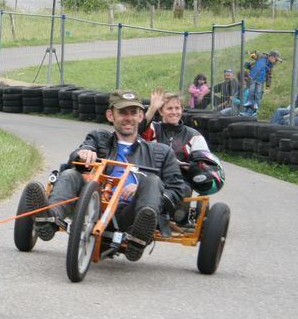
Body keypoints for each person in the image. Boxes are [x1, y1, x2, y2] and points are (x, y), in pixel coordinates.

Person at [27, 90, 190, 262]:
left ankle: (138, 237)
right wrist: (83, 154)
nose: (128, 118)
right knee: (69, 174)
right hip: (91, 205)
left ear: (141, 116)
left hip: (129, 214)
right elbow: (76, 156)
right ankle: (48, 220)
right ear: (110, 115)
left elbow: (179, 190)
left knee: (153, 181)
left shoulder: (161, 152)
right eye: (122, 113)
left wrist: (144, 190)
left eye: (133, 113)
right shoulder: (98, 139)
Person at [141, 88, 211, 161]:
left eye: (177, 108)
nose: (174, 112)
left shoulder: (194, 136)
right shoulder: (153, 129)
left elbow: (205, 164)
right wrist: (152, 108)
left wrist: (185, 166)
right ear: (161, 111)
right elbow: (140, 129)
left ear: (182, 110)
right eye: (169, 108)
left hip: (183, 172)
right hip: (154, 171)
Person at [241, 50, 283, 116]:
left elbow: (269, 76)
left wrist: (268, 86)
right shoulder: (261, 57)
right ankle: (245, 112)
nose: (276, 61)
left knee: (257, 96)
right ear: (272, 57)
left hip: (260, 81)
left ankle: (251, 113)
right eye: (276, 60)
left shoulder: (270, 66)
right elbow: (253, 56)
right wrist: (249, 54)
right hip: (253, 79)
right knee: (251, 94)